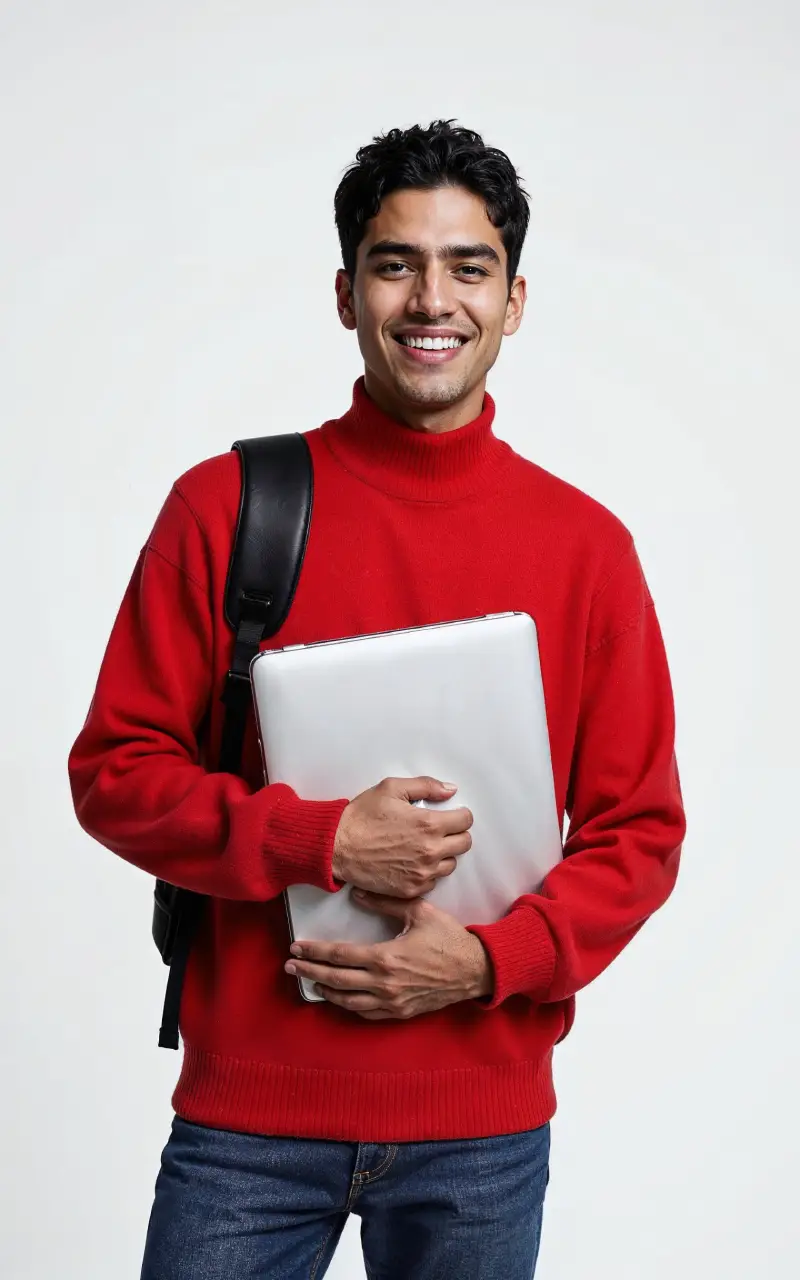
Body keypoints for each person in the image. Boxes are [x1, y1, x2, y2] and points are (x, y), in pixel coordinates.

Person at [68, 119, 686, 1280]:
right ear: (345, 291)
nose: (429, 299)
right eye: (396, 263)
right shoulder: (225, 507)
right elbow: (114, 771)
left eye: (469, 266)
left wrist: (490, 962)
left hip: (480, 1129)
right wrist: (316, 836)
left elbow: (638, 832)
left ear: (512, 301)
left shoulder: (587, 548)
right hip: (247, 1120)